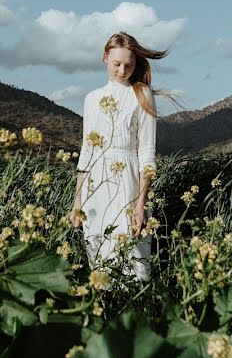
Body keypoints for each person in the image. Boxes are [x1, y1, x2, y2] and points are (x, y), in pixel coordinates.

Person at [68, 32, 173, 281]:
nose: (122, 70)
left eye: (129, 65)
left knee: (133, 258)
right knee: (99, 260)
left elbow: (147, 153)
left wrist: (141, 204)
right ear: (105, 58)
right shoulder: (91, 99)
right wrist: (77, 202)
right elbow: (87, 153)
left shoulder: (142, 94)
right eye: (117, 64)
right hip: (96, 185)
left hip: (128, 184)